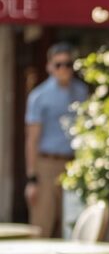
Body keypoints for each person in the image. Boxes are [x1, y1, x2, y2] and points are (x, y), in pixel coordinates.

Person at [24, 42, 88, 240]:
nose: (64, 69)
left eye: (68, 64)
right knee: (42, 226)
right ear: (49, 66)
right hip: (47, 165)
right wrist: (32, 178)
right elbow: (32, 139)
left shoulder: (82, 91)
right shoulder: (39, 96)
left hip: (74, 164)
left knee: (69, 227)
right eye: (58, 65)